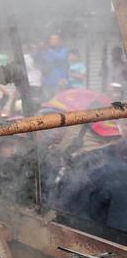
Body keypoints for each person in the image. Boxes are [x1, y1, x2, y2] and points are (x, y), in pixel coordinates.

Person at [38, 88, 127, 234]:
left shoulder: (117, 178)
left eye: (60, 125)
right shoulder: (69, 167)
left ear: (85, 129)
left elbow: (119, 243)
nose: (52, 135)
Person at [36, 34, 69, 99]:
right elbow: (37, 60)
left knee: (59, 100)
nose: (51, 40)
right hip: (47, 81)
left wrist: (48, 49)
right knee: (47, 101)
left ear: (60, 41)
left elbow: (60, 59)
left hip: (59, 81)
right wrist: (38, 49)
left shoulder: (64, 50)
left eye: (54, 39)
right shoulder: (45, 51)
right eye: (51, 39)